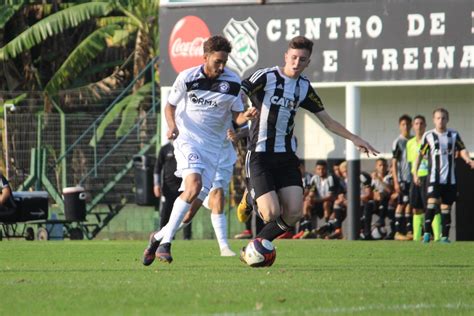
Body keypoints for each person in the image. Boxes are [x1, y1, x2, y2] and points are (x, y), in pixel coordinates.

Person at [239, 36, 378, 262]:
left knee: (294, 212)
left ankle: (255, 247)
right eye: (293, 57)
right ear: (286, 56)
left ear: (307, 62)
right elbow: (241, 89)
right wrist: (245, 110)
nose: (296, 62)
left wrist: (354, 138)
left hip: (285, 156)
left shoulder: (303, 87)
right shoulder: (267, 76)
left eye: (302, 59)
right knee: (271, 213)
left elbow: (327, 120)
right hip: (259, 154)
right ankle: (249, 196)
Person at [142, 35, 258, 265]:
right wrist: (173, 126)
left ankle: (157, 237)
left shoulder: (232, 82)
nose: (222, 66)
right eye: (217, 61)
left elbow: (237, 116)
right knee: (193, 185)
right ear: (205, 57)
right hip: (188, 140)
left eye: (225, 61)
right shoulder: (188, 77)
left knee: (189, 212)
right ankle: (166, 244)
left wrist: (246, 115)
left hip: (214, 150)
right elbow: (170, 106)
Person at [414, 108, 474, 243]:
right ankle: (427, 234)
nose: (441, 121)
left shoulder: (453, 135)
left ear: (447, 119)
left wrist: (468, 160)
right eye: (438, 118)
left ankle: (445, 237)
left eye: (443, 118)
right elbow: (420, 155)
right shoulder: (429, 136)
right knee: (431, 203)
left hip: (449, 178)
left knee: (446, 207)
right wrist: (415, 172)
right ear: (434, 120)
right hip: (434, 178)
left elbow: (462, 149)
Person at [406, 115, 440, 241]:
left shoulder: (430, 140)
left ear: (425, 126)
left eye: (421, 123)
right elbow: (411, 161)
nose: (419, 126)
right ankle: (416, 237)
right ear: (413, 126)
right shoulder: (409, 143)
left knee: (432, 206)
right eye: (416, 123)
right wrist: (414, 175)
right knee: (416, 207)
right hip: (416, 177)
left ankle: (437, 236)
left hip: (428, 176)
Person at [153, 141, 192, 240]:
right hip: (169, 188)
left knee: (186, 210)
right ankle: (163, 235)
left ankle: (187, 237)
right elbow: (157, 168)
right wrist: (156, 184)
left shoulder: (185, 146)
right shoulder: (165, 149)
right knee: (167, 211)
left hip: (184, 186)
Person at [295, 160, 336, 239]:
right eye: (319, 169)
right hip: (317, 202)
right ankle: (308, 230)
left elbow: (331, 196)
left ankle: (327, 230)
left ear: (326, 169)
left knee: (326, 203)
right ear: (316, 169)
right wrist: (310, 197)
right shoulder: (314, 178)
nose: (321, 171)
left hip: (329, 203)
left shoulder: (330, 178)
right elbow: (312, 191)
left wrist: (315, 200)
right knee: (306, 203)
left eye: (323, 169)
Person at [391, 114, 413, 241]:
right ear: (400, 126)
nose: (406, 127)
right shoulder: (398, 142)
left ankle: (409, 230)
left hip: (412, 178)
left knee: (410, 203)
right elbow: (394, 163)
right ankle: (397, 231)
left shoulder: (413, 140)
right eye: (403, 124)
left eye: (407, 124)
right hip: (402, 178)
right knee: (401, 203)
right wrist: (396, 182)